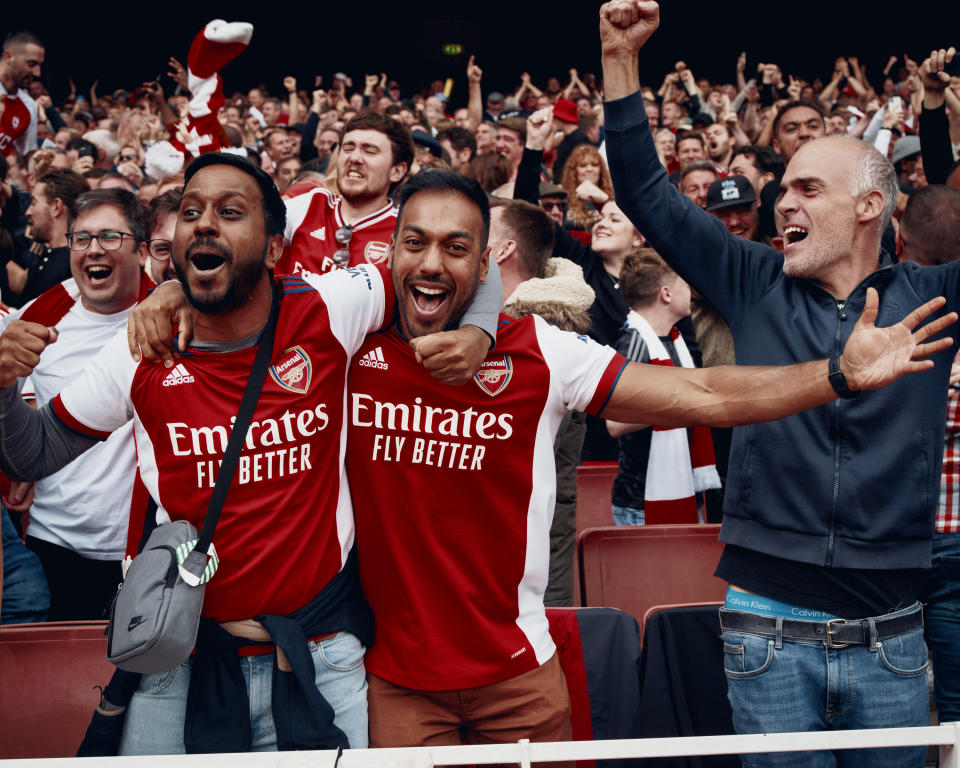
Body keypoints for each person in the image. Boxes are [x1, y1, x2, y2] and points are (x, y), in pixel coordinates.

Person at [343, 169, 951, 750]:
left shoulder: (542, 353)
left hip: (518, 674)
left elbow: (705, 394)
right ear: (387, 252)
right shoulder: (345, 346)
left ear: (485, 264)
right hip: (400, 680)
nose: (429, 262)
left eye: (455, 247)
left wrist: (837, 374)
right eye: (414, 243)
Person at [0, 152, 498, 755]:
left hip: (318, 655)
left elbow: (452, 264)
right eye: (191, 212)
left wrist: (482, 330)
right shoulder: (142, 349)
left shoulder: (329, 305)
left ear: (272, 247)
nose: (205, 224)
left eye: (231, 212)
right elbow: (32, 455)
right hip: (178, 658)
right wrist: (3, 387)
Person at [598, 2, 960, 765]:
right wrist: (620, 61)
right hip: (765, 624)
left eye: (807, 190)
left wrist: (936, 110)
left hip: (893, 627)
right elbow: (646, 192)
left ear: (869, 205)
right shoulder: (752, 278)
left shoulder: (933, 297)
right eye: (783, 190)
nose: (782, 202)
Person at [1, 188, 151, 620]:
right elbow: (15, 416)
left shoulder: (171, 312)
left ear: (141, 251)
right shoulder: (37, 316)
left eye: (109, 236)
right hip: (55, 544)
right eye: (81, 239)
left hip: (145, 549)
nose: (93, 250)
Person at [606, 249, 719, 526]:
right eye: (684, 283)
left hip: (685, 489)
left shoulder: (675, 339)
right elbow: (615, 422)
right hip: (641, 503)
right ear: (666, 293)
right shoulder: (634, 342)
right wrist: (677, 404)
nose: (691, 291)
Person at [279, 111, 413, 277]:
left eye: (370, 151)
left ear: (397, 171)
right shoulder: (310, 204)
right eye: (348, 148)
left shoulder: (404, 233)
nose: (354, 158)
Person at [0, 31, 44, 159]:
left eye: (40, 65)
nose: (37, 73)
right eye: (31, 64)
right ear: (8, 57)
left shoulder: (29, 106)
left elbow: (27, 157)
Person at [559, 144, 614, 233]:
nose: (589, 169)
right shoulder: (563, 196)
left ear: (601, 169)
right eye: (583, 165)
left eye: (595, 165)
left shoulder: (611, 196)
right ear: (574, 170)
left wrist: (605, 199)